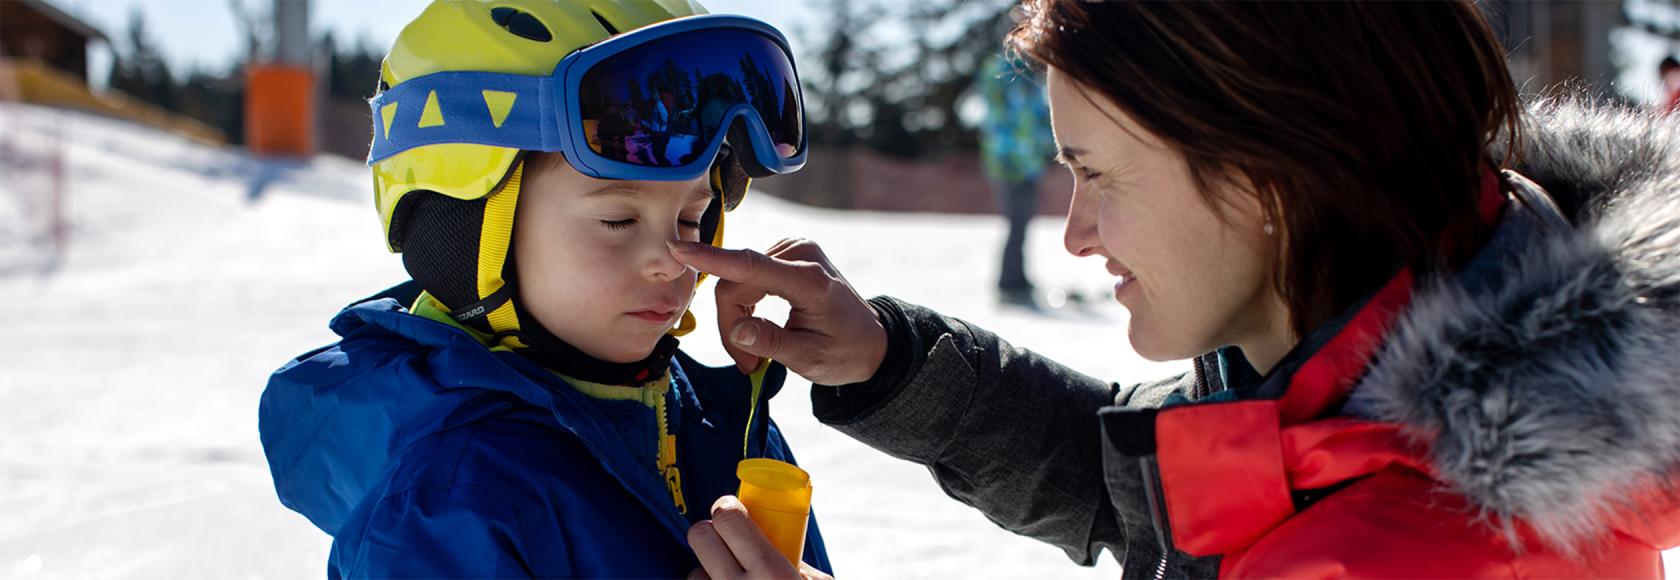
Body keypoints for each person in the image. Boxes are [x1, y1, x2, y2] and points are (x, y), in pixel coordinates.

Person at [678, 1, 1680, 577]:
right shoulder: (1361, 373)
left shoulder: (1405, 551)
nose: (1073, 231)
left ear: (1267, 178)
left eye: (1100, 174)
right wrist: (888, 362)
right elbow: (1155, 479)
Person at [255, 1, 830, 576]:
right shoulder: (450, 500)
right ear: (469, 230)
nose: (672, 262)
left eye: (690, 221)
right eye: (618, 222)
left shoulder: (728, 429)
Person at [975, 49, 1056, 306]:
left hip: (1026, 162)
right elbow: (1010, 119)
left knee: (1022, 223)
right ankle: (1009, 282)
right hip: (1012, 163)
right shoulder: (1005, 73)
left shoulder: (1027, 75)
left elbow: (1038, 117)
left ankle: (1017, 277)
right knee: (1017, 222)